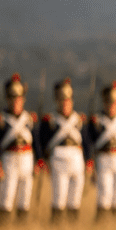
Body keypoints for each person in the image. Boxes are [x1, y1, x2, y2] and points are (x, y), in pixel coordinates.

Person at [0, 73, 37, 223]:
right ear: (7, 99)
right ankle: (2, 226)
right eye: (12, 98)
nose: (16, 102)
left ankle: (21, 227)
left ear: (23, 99)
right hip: (9, 159)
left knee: (25, 195)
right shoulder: (0, 119)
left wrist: (39, 160)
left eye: (18, 98)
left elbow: (35, 143)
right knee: (7, 195)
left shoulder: (29, 119)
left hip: (27, 158)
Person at [37, 78, 86, 222]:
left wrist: (89, 160)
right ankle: (56, 226)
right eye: (62, 101)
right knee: (59, 197)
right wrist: (42, 159)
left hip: (77, 160)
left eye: (68, 101)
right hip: (59, 160)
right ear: (57, 102)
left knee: (75, 197)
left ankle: (72, 226)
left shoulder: (78, 120)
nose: (65, 104)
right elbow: (41, 141)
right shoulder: (50, 121)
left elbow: (86, 142)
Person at [85, 80, 116, 220]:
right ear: (104, 103)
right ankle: (102, 222)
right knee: (104, 192)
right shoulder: (97, 121)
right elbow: (90, 142)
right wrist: (90, 160)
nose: (112, 106)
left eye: (115, 103)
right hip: (104, 158)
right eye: (109, 103)